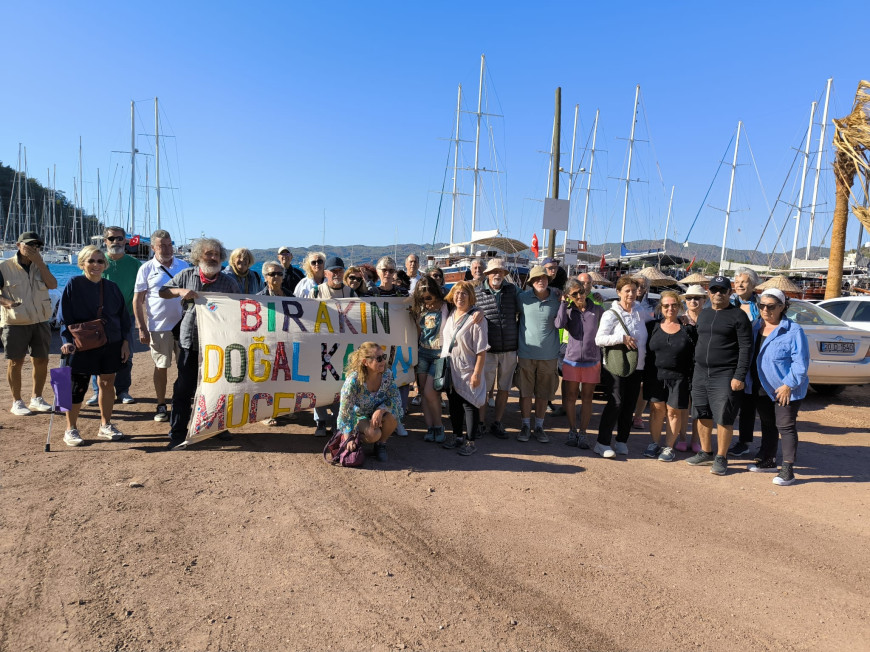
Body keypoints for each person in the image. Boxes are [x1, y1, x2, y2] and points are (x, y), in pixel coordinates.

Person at [160, 237, 241, 450]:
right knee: (184, 388)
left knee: (220, 387)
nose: (213, 258)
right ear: (198, 256)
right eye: (208, 254)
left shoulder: (229, 282)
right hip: (190, 341)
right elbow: (163, 291)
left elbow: (240, 310)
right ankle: (177, 431)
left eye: (216, 254)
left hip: (219, 345)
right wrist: (179, 291)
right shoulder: (186, 275)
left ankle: (217, 427)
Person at [59, 246, 131, 446]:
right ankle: (71, 429)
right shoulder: (74, 284)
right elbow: (64, 317)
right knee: (76, 387)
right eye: (91, 261)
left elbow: (123, 317)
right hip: (82, 344)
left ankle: (105, 425)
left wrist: (125, 342)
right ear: (82, 263)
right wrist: (67, 342)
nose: (96, 265)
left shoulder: (112, 287)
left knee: (107, 384)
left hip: (111, 342)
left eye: (100, 261)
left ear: (105, 264)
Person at [685, 275, 752, 476]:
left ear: (729, 293)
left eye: (722, 290)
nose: (718, 294)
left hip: (725, 374)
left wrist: (739, 376)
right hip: (700, 372)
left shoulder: (738, 316)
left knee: (724, 416)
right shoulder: (704, 314)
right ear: (709, 293)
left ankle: (721, 457)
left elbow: (746, 348)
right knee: (702, 413)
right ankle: (706, 452)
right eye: (714, 290)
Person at [746, 288, 809, 486]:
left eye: (771, 306)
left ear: (782, 307)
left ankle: (788, 469)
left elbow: (801, 363)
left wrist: (788, 385)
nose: (765, 310)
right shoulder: (755, 326)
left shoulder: (793, 330)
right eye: (761, 306)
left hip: (785, 388)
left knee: (785, 426)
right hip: (761, 385)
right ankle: (768, 460)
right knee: (767, 423)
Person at [132, 229, 189, 422]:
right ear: (153, 247)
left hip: (184, 326)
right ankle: (161, 404)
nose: (166, 249)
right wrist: (141, 327)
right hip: (159, 326)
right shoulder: (146, 268)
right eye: (161, 245)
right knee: (161, 365)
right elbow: (137, 300)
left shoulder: (183, 265)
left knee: (186, 367)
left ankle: (183, 403)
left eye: (169, 244)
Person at [0, 231, 58, 415]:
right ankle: (17, 401)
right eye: (29, 244)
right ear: (18, 245)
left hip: (40, 320)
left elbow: (53, 285)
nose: (34, 248)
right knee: (16, 362)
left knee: (41, 360)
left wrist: (40, 263)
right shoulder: (4, 267)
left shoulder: (41, 266)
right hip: (15, 321)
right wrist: (7, 302)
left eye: (37, 246)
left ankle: (37, 398)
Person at [593, 276, 647, 458]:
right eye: (627, 291)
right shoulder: (611, 314)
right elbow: (599, 339)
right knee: (616, 402)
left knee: (629, 404)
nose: (631, 294)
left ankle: (622, 440)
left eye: (634, 290)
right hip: (615, 365)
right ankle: (602, 443)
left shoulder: (640, 312)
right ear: (619, 292)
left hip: (637, 365)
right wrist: (621, 339)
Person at [87, 226, 141, 406]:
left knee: (126, 355)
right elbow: (85, 287)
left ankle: (123, 390)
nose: (115, 242)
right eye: (111, 239)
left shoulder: (135, 265)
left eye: (119, 238)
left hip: (126, 316)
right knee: (96, 354)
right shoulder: (97, 261)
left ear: (125, 241)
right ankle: (97, 392)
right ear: (105, 241)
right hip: (99, 318)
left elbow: (141, 292)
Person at [643, 291, 697, 461]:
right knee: (656, 410)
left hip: (679, 377)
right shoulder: (652, 326)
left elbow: (696, 353)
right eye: (666, 305)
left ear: (679, 306)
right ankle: (654, 443)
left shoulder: (688, 329)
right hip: (655, 375)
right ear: (661, 307)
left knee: (674, 412)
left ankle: (669, 447)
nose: (670, 308)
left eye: (674, 305)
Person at [554, 276, 603, 450]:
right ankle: (572, 430)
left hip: (592, 361)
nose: (580, 296)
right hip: (572, 361)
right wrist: (562, 303)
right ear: (569, 296)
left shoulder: (596, 310)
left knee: (588, 398)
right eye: (575, 294)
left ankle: (583, 432)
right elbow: (559, 324)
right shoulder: (567, 312)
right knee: (570, 397)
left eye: (581, 291)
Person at [440, 280, 487, 455]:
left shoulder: (477, 319)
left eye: (464, 293)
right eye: (457, 293)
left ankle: (471, 441)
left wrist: (477, 373)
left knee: (470, 404)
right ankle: (457, 436)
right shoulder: (450, 313)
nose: (460, 296)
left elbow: (482, 350)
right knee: (454, 404)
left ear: (471, 296)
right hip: (451, 368)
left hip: (468, 369)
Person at [474, 259, 520, 439]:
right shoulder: (478, 293)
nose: (497, 275)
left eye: (501, 271)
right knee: (484, 389)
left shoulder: (513, 291)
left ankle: (497, 422)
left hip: (509, 348)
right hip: (488, 349)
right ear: (487, 274)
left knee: (504, 388)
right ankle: (480, 423)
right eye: (494, 271)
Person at [336, 342, 403, 463]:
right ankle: (354, 437)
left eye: (384, 357)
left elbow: (396, 399)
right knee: (373, 434)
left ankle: (381, 445)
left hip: (378, 414)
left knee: (393, 415)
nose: (383, 361)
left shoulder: (387, 375)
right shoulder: (353, 380)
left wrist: (380, 410)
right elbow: (345, 411)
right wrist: (348, 437)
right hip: (359, 416)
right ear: (365, 362)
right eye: (378, 358)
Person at [516, 265, 562, 443]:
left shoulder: (558, 299)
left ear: (548, 280)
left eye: (543, 278)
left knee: (543, 393)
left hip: (549, 355)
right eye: (536, 279)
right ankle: (526, 425)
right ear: (531, 282)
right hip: (526, 353)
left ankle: (540, 426)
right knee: (525, 392)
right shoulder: (523, 298)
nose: (540, 281)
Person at [729, 267, 761, 458]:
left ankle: (744, 442)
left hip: (755, 361)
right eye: (737, 281)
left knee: (749, 405)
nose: (739, 284)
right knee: (730, 403)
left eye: (744, 281)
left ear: (753, 284)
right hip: (732, 359)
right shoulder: (729, 304)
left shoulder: (762, 305)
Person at [411, 277, 448, 443]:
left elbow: (467, 306)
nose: (427, 302)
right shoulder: (419, 309)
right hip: (423, 353)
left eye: (429, 297)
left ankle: (439, 425)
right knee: (424, 394)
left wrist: (478, 312)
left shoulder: (447, 306)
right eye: (423, 298)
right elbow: (418, 333)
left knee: (431, 392)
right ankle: (430, 427)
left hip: (439, 355)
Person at [677, 284, 707, 451]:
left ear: (704, 300)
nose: (693, 301)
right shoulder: (679, 320)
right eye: (689, 298)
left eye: (697, 298)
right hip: (683, 367)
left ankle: (695, 440)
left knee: (698, 405)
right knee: (683, 405)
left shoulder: (709, 319)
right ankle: (682, 437)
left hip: (702, 367)